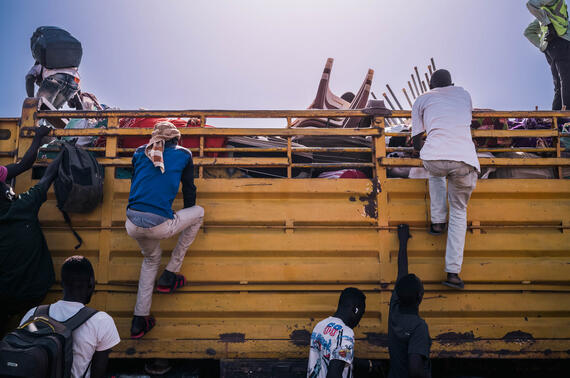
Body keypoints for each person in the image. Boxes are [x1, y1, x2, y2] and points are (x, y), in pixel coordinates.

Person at [126, 121, 204, 338]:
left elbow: (138, 181)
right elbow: (189, 189)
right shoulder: (184, 154)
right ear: (176, 139)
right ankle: (170, 274)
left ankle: (139, 321)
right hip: (159, 224)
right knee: (199, 213)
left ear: (154, 138)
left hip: (132, 222)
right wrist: (184, 218)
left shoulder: (139, 152)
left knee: (151, 259)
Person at [411, 69, 479, 289]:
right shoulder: (464, 94)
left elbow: (415, 138)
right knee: (459, 212)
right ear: (452, 83)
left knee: (435, 171)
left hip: (435, 156)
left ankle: (438, 221)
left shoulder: (422, 99)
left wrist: (418, 150)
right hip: (465, 160)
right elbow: (467, 120)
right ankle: (453, 273)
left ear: (431, 86)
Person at [20, 256, 120, 378]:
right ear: (91, 283)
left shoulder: (34, 315)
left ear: (62, 283)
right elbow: (98, 372)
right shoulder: (101, 321)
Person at [0, 151, 62, 335]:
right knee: (29, 326)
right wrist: (64, 152)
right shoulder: (24, 205)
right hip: (34, 290)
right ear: (6, 195)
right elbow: (48, 176)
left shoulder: (23, 204)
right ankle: (27, 338)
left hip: (4, 295)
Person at [388, 224, 431, 378]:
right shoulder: (419, 327)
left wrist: (403, 243)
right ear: (420, 298)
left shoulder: (394, 311)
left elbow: (402, 271)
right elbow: (415, 370)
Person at [307, 287, 366, 378]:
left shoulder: (320, 325)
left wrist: (367, 364)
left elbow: (329, 356)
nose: (359, 321)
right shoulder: (346, 333)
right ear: (355, 310)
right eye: (361, 314)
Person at [525, 0, 570, 110]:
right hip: (560, 44)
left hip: (552, 48)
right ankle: (567, 117)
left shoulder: (545, 15)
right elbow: (531, 4)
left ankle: (557, 118)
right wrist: (549, 25)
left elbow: (528, 32)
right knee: (566, 79)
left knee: (559, 84)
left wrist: (543, 46)